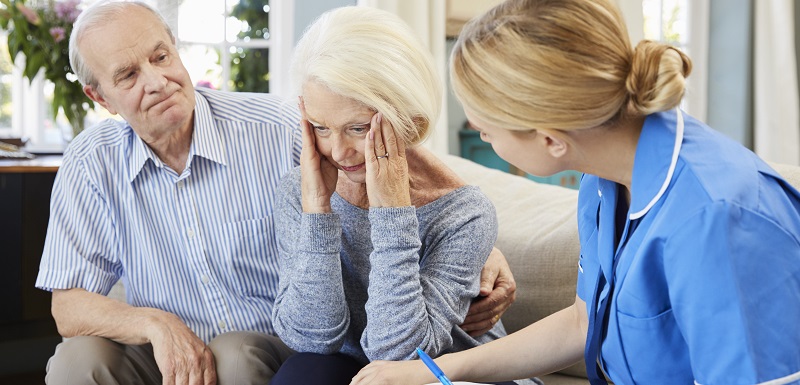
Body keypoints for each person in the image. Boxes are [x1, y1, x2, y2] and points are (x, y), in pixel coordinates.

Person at [34, 1, 518, 384]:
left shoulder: (279, 125)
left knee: (237, 356)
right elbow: (68, 306)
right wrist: (157, 325)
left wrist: (481, 243)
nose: (157, 81)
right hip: (175, 350)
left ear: (176, 49)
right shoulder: (91, 160)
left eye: (161, 57)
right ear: (99, 97)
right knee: (76, 362)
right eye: (128, 75)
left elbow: (395, 161)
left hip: (266, 345)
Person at [351, 0, 800, 384]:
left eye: (486, 131)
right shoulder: (603, 178)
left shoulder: (719, 220)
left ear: (550, 139)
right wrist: (435, 370)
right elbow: (583, 323)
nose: (479, 135)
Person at [266, 7, 539, 385]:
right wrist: (317, 212)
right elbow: (310, 337)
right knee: (302, 373)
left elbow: (401, 354)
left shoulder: (464, 213)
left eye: (358, 128)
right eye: (320, 127)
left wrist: (392, 213)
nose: (338, 151)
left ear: (410, 124)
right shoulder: (299, 192)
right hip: (358, 368)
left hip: (456, 371)